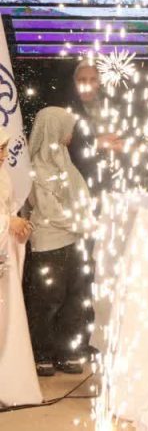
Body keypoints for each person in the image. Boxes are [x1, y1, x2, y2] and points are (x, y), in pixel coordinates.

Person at [23, 107, 93, 377]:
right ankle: (42, 353)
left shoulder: (64, 158)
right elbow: (49, 210)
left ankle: (67, 351)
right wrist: (80, 223)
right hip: (49, 241)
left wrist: (84, 219)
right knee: (47, 299)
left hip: (74, 238)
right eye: (67, 127)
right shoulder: (37, 168)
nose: (71, 134)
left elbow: (80, 196)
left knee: (74, 298)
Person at [0, 128, 42, 406]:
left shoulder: (3, 175)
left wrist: (17, 226)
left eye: (5, 148)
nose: (4, 155)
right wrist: (7, 223)